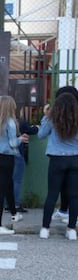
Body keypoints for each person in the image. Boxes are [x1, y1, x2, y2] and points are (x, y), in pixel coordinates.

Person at [38, 92, 78, 240]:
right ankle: (72, 229)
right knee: (74, 196)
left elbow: (41, 134)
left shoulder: (51, 118)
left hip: (56, 159)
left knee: (52, 194)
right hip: (75, 159)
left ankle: (45, 228)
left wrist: (45, 116)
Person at [0, 95, 28, 235]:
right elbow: (12, 143)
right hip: (6, 157)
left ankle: (14, 213)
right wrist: (21, 139)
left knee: (7, 184)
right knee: (1, 191)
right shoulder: (10, 122)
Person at [51, 86, 78, 223]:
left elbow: (42, 133)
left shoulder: (59, 116)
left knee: (65, 187)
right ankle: (65, 212)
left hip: (61, 156)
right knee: (70, 188)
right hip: (73, 156)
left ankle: (66, 212)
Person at [12, 119, 38, 213]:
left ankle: (7, 203)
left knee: (8, 180)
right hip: (17, 153)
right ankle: (15, 204)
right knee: (17, 180)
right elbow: (34, 131)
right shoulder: (19, 123)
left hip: (5, 155)